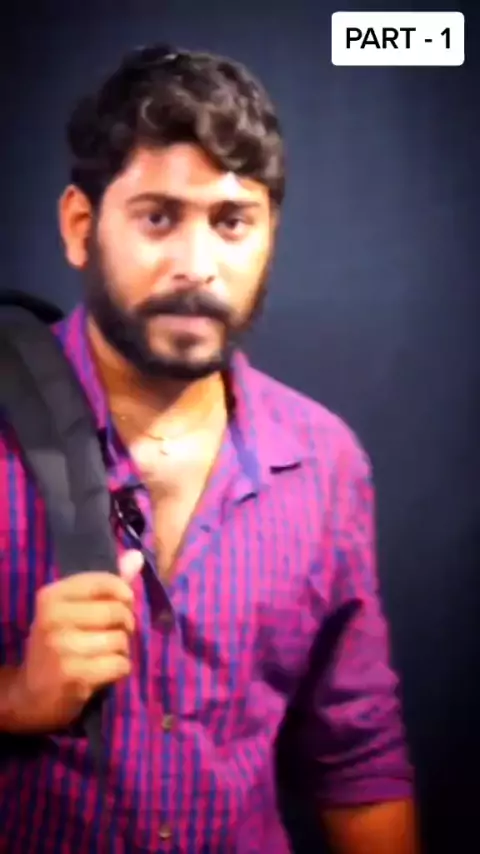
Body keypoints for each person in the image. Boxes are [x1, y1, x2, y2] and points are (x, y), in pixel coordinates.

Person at [0, 44, 417, 853]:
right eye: (158, 217)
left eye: (232, 222)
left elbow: (357, 749)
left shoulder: (326, 462)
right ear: (82, 227)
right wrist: (15, 697)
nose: (197, 267)